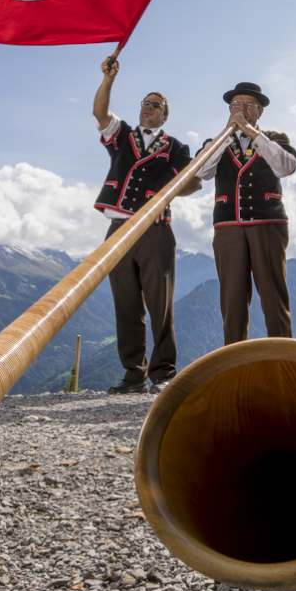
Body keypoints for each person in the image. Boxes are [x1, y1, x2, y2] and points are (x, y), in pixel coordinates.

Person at [93, 54, 197, 394]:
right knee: (125, 303)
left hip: (156, 229)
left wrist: (178, 184)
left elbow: (193, 184)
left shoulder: (177, 147)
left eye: (155, 105)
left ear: (165, 114)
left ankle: (163, 371)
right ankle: (133, 373)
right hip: (120, 225)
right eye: (144, 104)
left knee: (159, 303)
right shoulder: (122, 135)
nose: (147, 108)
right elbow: (100, 113)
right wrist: (108, 79)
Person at [195, 82, 296, 344]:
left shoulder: (275, 139)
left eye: (248, 106)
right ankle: (235, 361)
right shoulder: (215, 142)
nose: (240, 110)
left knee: (273, 295)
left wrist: (252, 133)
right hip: (228, 226)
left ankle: (284, 360)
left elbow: (286, 167)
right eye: (235, 105)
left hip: (268, 223)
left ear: (260, 111)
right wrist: (227, 134)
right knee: (233, 299)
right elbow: (201, 171)